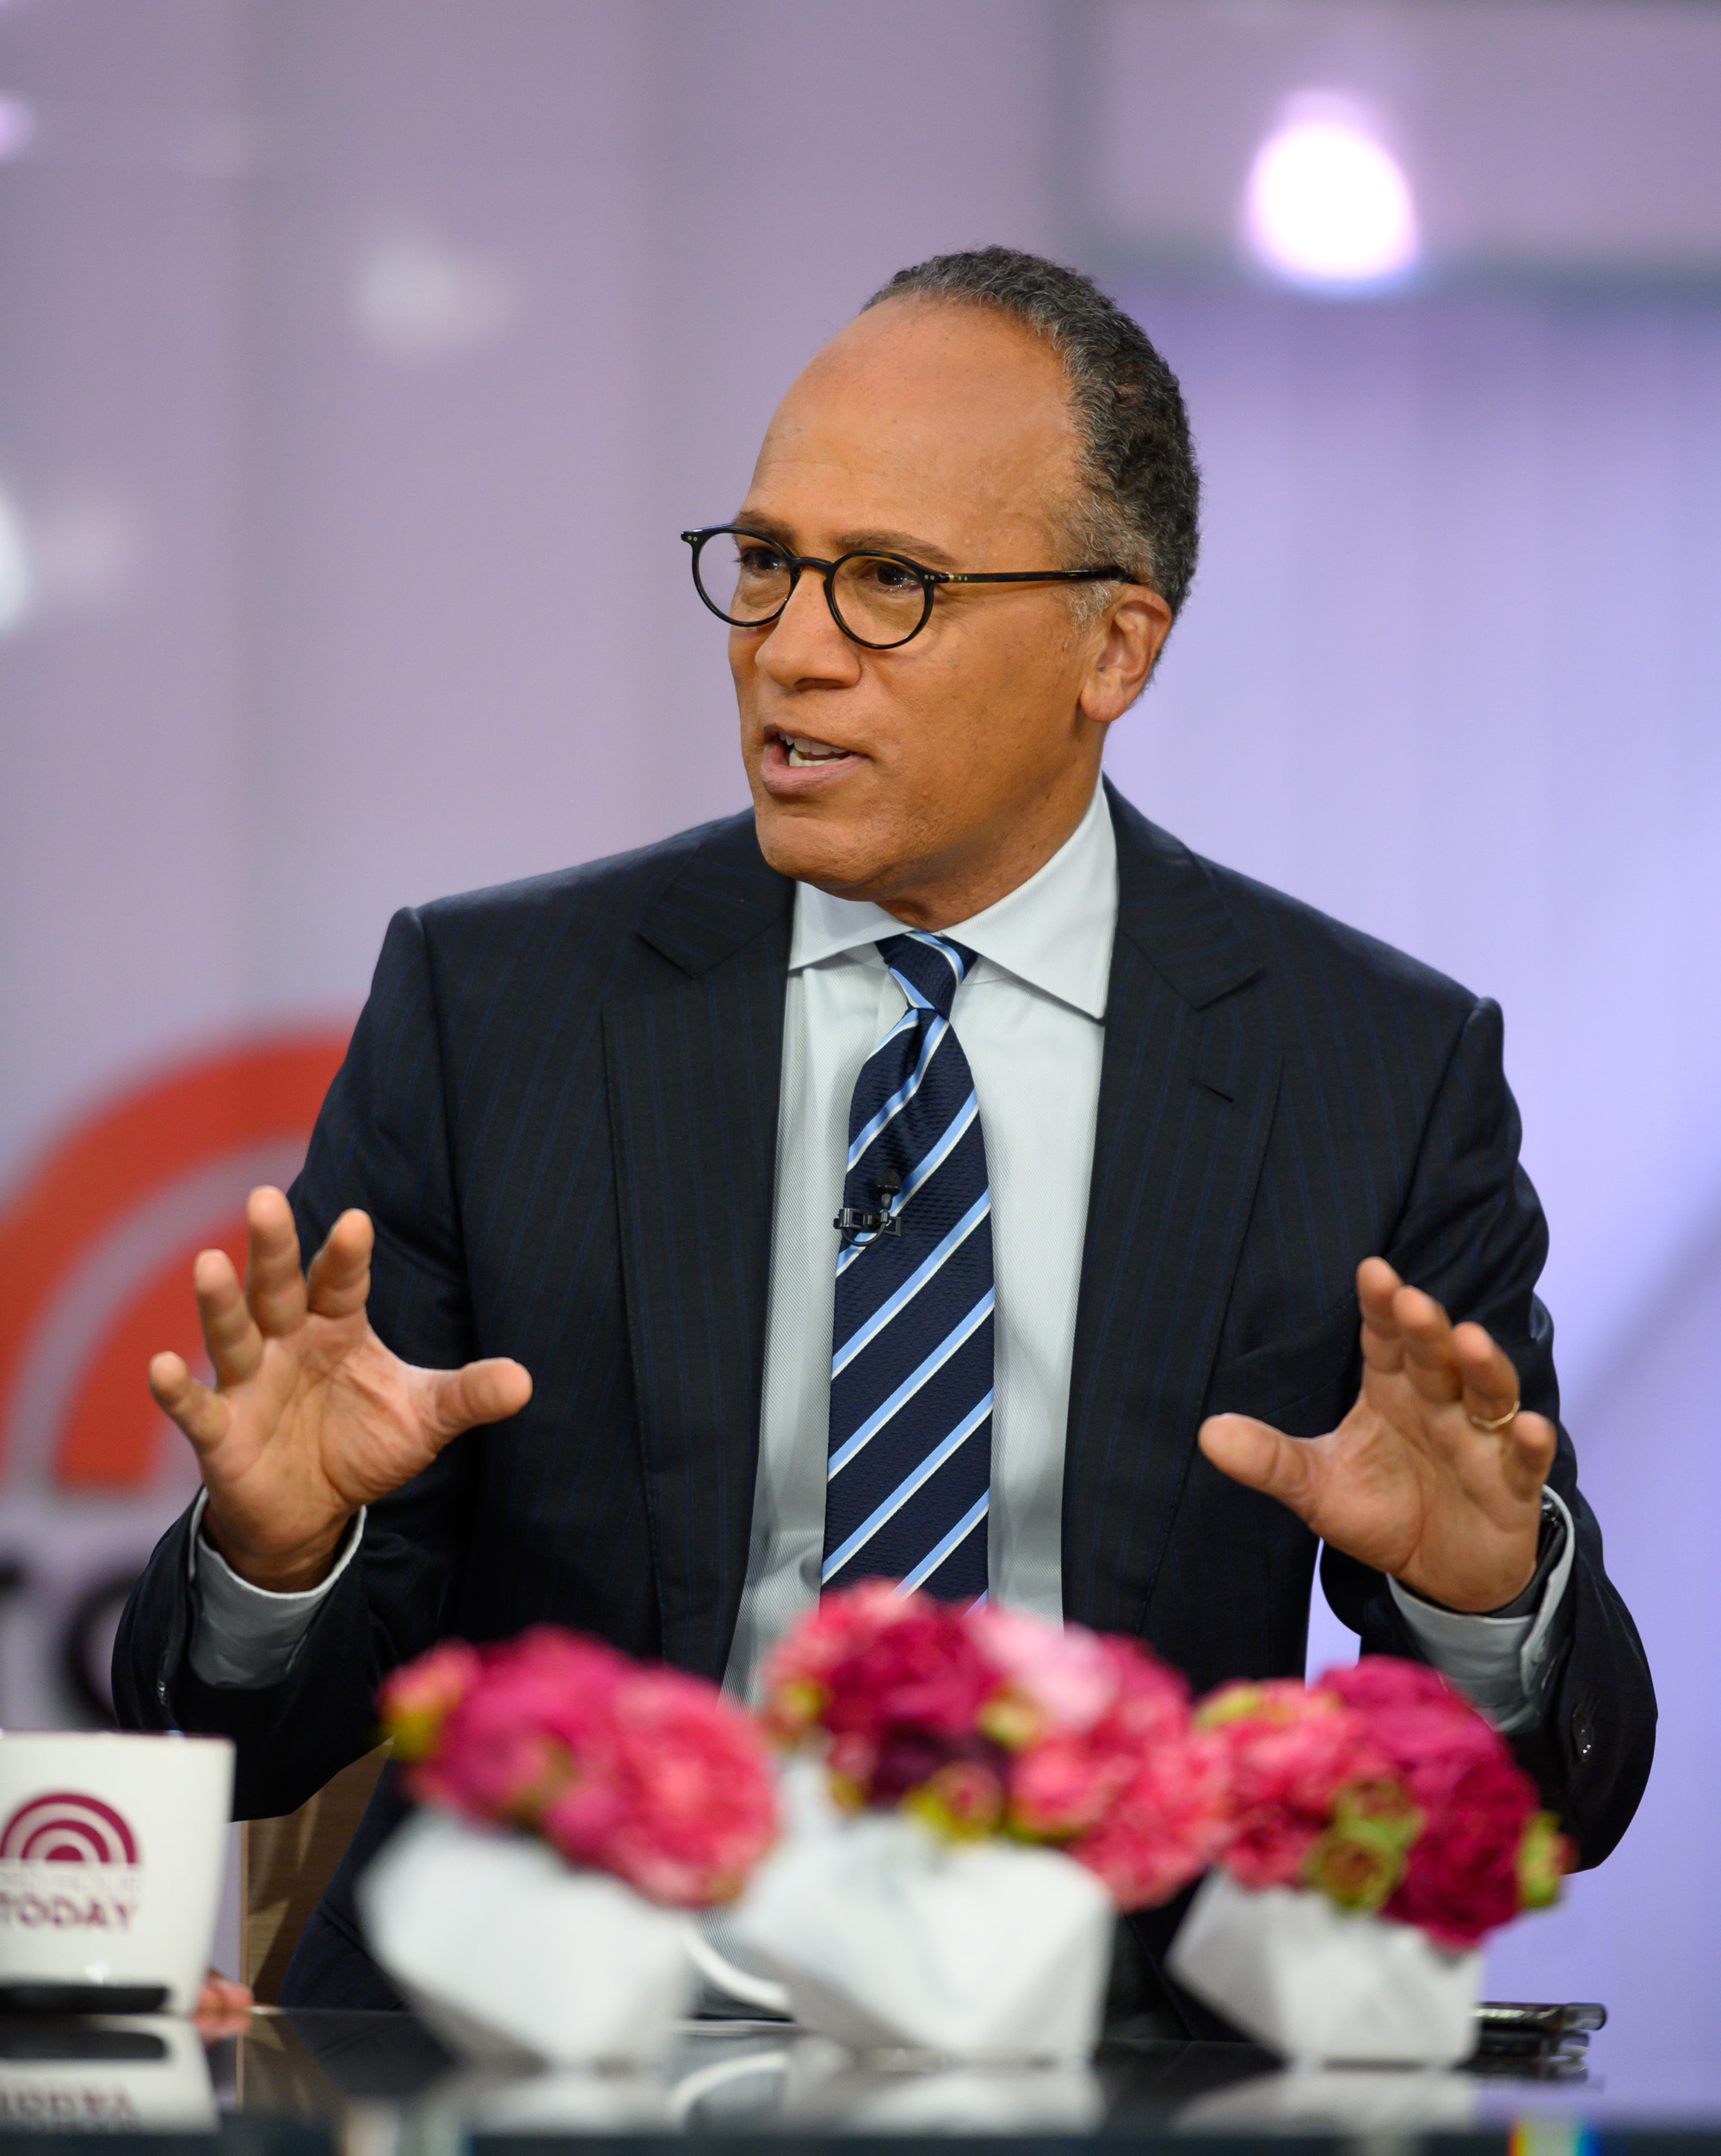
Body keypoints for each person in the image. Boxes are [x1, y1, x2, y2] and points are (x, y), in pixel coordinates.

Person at [115, 247, 1654, 2018]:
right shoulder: (498, 1009)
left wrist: (1477, 1601)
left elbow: (1557, 1806)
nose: (788, 654)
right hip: (537, 2057)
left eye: (889, 588)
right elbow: (223, 1740)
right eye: (765, 566)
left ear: (1114, 647)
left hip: (1096, 2074)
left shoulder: (1368, 1069)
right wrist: (279, 1557)